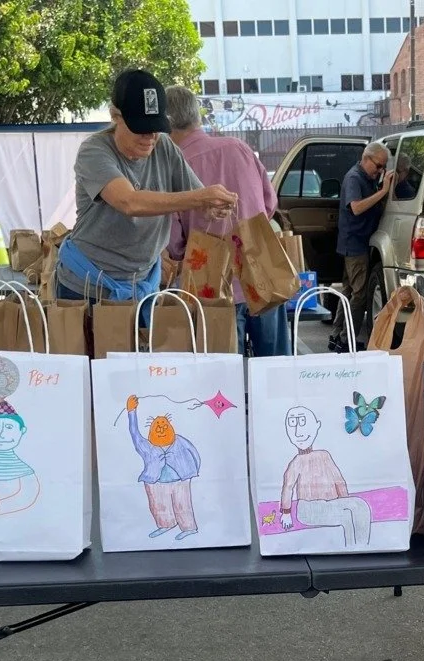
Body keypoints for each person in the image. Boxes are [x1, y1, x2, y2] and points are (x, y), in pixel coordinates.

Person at [56, 69, 237, 312]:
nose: (150, 137)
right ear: (115, 116)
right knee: (92, 350)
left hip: (142, 283)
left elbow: (197, 197)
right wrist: (200, 197)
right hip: (86, 285)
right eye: (140, 128)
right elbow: (129, 202)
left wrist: (213, 206)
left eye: (155, 128)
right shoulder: (94, 151)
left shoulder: (165, 148)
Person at [165, 86, 290, 357]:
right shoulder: (239, 148)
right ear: (196, 116)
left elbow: (175, 244)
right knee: (275, 370)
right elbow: (269, 205)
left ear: (166, 125)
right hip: (263, 272)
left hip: (211, 286)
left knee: (224, 382)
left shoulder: (175, 167)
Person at [329, 143, 394, 352]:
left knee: (347, 291)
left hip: (356, 242)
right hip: (354, 244)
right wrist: (383, 191)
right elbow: (356, 208)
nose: (380, 171)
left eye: (383, 167)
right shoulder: (354, 178)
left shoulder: (368, 178)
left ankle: (336, 334)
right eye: (378, 166)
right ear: (366, 159)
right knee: (359, 295)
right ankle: (348, 339)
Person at [280, 406, 372, 547]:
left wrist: (345, 501)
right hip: (308, 508)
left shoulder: (324, 455)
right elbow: (288, 487)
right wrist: (286, 512)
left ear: (316, 426)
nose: (298, 430)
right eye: (293, 423)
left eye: (302, 422)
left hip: (331, 503)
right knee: (346, 517)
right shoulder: (296, 462)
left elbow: (338, 480)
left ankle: (364, 546)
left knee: (361, 505)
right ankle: (353, 548)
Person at [126, 394, 201, 541]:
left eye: (164, 424)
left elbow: (194, 453)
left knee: (182, 504)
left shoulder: (180, 441)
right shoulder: (146, 446)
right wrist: (131, 412)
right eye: (157, 425)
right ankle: (165, 524)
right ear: (151, 429)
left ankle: (189, 527)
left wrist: (193, 470)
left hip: (180, 479)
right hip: (155, 481)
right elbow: (134, 434)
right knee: (158, 505)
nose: (161, 426)